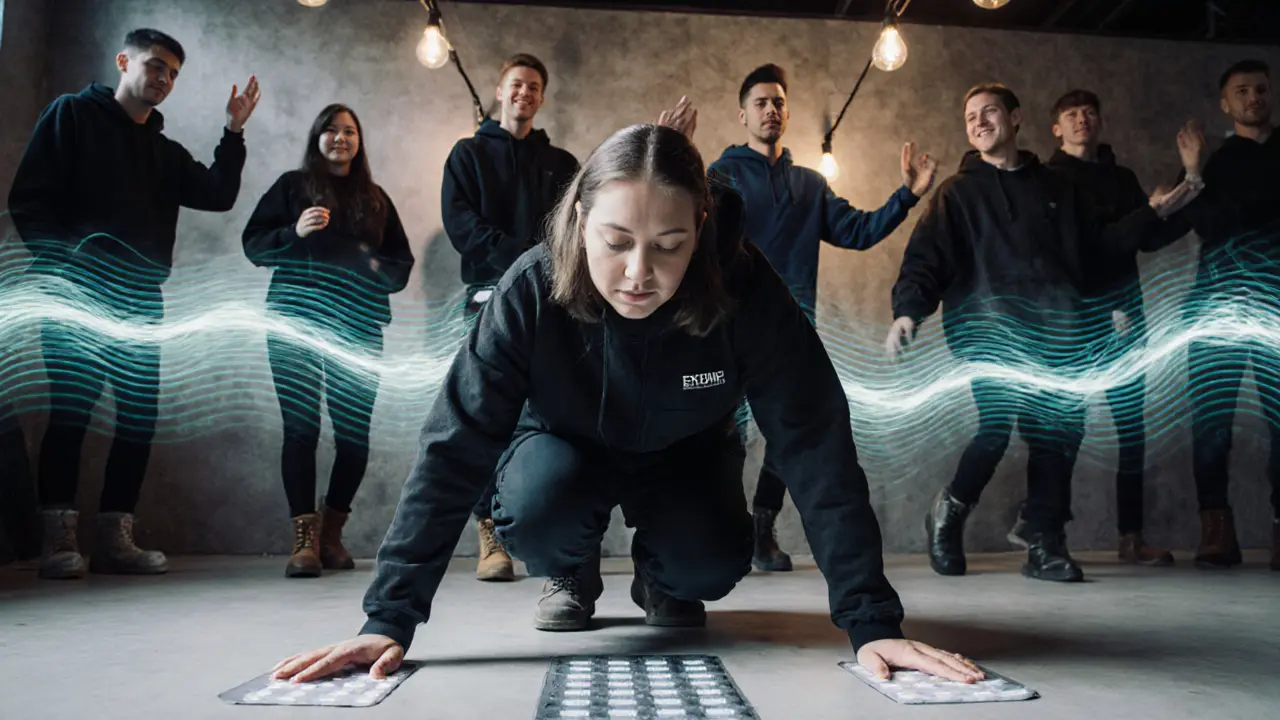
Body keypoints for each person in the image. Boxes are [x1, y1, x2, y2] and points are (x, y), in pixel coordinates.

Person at [271, 123, 986, 688]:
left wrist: (871, 622)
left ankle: (661, 574)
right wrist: (389, 618)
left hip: (686, 452)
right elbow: (454, 444)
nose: (639, 274)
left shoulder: (745, 288)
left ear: (702, 229)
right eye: (616, 243)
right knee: (542, 507)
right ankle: (571, 572)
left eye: (669, 246)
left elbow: (815, 441)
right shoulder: (530, 289)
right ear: (582, 220)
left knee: (709, 565)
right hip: (561, 450)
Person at [886, 83, 1200, 583]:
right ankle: (948, 510)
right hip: (988, 332)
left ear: (1015, 118)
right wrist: (908, 312)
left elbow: (1100, 249)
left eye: (989, 112)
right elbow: (926, 260)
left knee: (1057, 433)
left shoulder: (1058, 189)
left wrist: (1151, 219)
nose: (978, 122)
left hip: (1059, 331)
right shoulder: (958, 193)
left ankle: (1044, 542)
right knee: (996, 428)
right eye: (970, 116)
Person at [6, 28, 261, 579]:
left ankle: (114, 539)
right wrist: (65, 270)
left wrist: (233, 131)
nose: (164, 79)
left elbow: (217, 194)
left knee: (138, 419)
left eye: (172, 73)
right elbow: (27, 200)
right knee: (70, 415)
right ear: (124, 61)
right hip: (75, 297)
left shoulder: (163, 153)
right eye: (155, 66)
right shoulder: (71, 115)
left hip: (141, 301)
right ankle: (59, 539)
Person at [707, 63, 938, 572]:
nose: (771, 109)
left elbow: (858, 231)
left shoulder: (810, 183)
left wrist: (908, 196)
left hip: (791, 330)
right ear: (742, 114)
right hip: (727, 328)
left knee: (789, 435)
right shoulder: (720, 175)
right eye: (761, 102)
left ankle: (762, 527)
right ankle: (724, 533)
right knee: (726, 436)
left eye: (779, 102)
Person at [1003, 89, 1203, 566]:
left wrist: (1190, 181)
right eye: (1071, 114)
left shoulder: (1122, 178)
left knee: (1132, 429)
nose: (1082, 120)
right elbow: (1082, 248)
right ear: (1055, 128)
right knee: (1061, 430)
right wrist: (1150, 211)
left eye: (1090, 112)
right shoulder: (1047, 179)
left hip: (1127, 318)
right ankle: (1043, 530)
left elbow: (1149, 237)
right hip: (1071, 321)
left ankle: (1131, 538)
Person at [242, 104, 415, 578]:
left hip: (358, 324)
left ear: (359, 142)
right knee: (301, 430)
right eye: (332, 130)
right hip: (295, 321)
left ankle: (331, 533)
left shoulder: (375, 198)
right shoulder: (291, 188)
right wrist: (292, 233)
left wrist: (377, 272)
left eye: (350, 131)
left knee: (354, 439)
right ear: (316, 136)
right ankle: (303, 541)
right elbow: (253, 243)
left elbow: (400, 262)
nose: (341, 138)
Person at [441, 52, 579, 582]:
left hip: (553, 304)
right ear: (500, 91)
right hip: (484, 299)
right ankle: (489, 532)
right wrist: (525, 264)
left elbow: (572, 230)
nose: (525, 92)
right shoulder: (467, 155)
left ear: (541, 98)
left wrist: (542, 275)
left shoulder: (562, 164)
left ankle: (549, 532)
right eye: (517, 84)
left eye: (535, 86)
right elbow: (462, 226)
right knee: (483, 414)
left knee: (544, 415)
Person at [1179, 59, 1280, 570]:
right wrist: (1194, 175)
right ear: (1226, 104)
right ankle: (1216, 528)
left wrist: (1228, 210)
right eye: (1242, 91)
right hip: (1215, 311)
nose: (1254, 98)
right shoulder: (1210, 163)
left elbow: (1220, 218)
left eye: (1261, 89)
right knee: (1211, 424)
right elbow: (1198, 220)